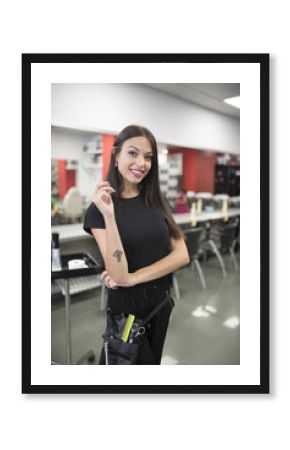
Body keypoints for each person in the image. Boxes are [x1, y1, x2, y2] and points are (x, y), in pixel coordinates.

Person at [83, 125, 190, 364]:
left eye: (148, 157)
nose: (141, 162)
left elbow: (182, 255)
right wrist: (110, 216)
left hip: (160, 305)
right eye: (133, 153)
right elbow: (119, 276)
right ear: (116, 155)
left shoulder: (157, 202)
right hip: (127, 312)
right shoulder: (98, 210)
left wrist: (135, 277)